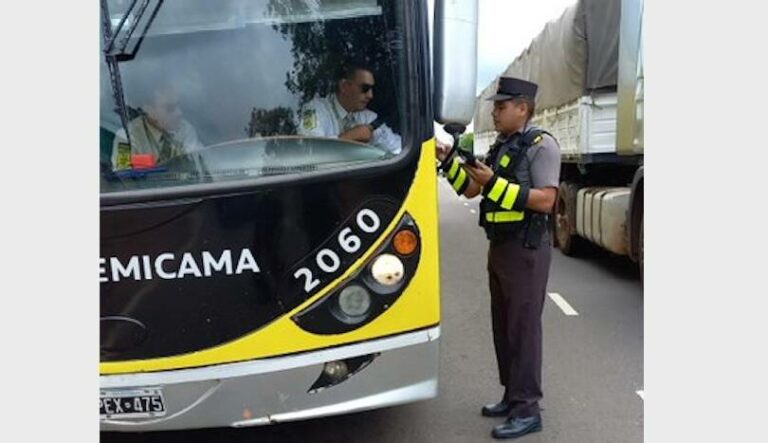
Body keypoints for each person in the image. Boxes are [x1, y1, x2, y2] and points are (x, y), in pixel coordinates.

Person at [436, 77, 561, 440]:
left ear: (523, 108)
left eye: (501, 106)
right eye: (495, 106)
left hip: (527, 249)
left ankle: (528, 409)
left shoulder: (542, 146)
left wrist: (493, 184)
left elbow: (546, 200)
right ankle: (512, 395)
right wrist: (449, 163)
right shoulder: (504, 146)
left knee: (523, 329)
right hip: (501, 247)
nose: (494, 111)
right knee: (503, 326)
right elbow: (473, 190)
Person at [297, 62, 402, 155]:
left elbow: (397, 149)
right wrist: (348, 138)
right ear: (344, 86)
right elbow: (308, 150)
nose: (370, 95)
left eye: (371, 89)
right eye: (365, 88)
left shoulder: (367, 117)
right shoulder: (316, 110)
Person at [110, 82, 203, 170]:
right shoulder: (126, 137)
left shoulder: (186, 130)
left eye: (179, 105)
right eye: (170, 108)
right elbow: (123, 178)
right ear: (148, 110)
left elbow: (197, 167)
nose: (179, 113)